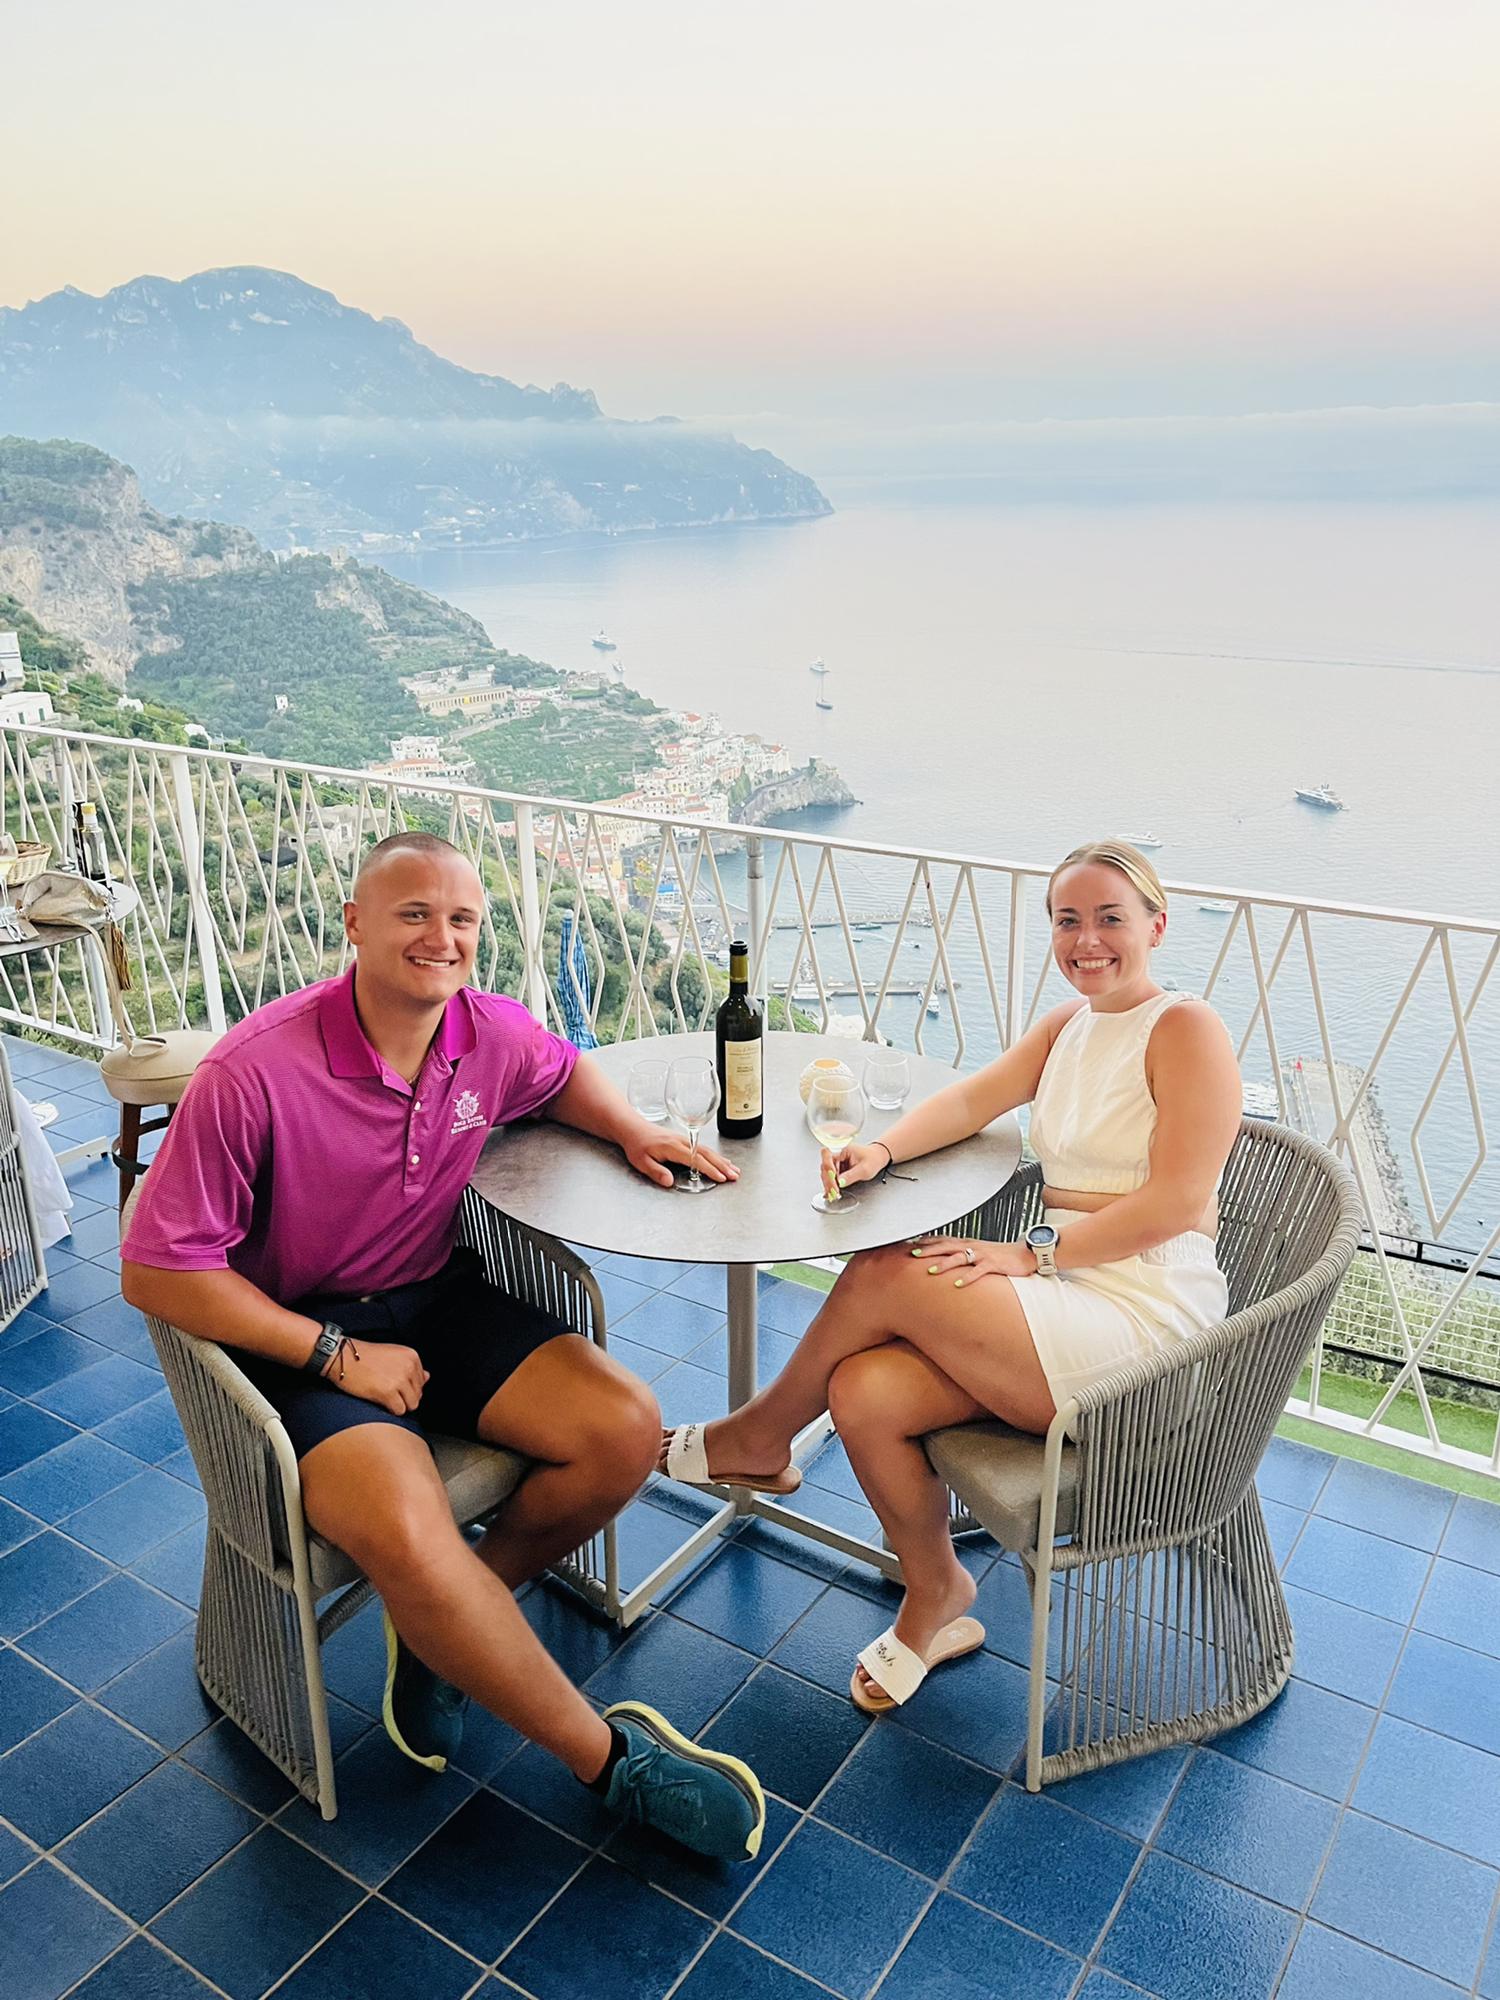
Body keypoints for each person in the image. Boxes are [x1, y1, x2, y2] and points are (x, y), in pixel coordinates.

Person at [121, 831, 767, 1863]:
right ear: (355, 925)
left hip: (434, 1297)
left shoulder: (485, 1032)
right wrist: (334, 1352)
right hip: (296, 1339)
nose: (442, 935)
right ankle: (613, 1763)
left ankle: (441, 1632)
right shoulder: (253, 1072)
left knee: (624, 1428)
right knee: (415, 1531)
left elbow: (561, 1076)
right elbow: (156, 1267)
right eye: (414, 912)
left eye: (462, 917)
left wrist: (631, 1128)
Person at [661, 840, 1241, 1713]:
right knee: (863, 1391)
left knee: (889, 1272)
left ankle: (759, 1436)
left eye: (1110, 918)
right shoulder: (1068, 1027)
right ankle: (938, 1595)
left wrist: (1031, 1253)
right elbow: (974, 1101)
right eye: (1068, 920)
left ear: (1156, 926)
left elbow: (1176, 1203)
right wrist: (880, 1148)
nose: (1087, 939)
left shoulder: (1186, 1029)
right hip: (1069, 1297)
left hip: (1148, 1317)